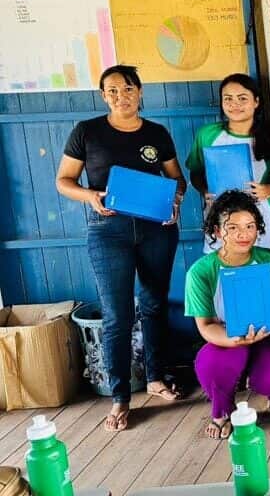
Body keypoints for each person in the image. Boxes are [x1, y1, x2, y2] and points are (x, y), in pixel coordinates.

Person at [55, 64, 185, 431]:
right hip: (108, 232)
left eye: (127, 88)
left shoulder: (157, 133)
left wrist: (175, 201)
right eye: (112, 90)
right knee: (117, 316)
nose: (120, 96)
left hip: (157, 230)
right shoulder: (87, 132)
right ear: (103, 96)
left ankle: (156, 378)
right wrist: (90, 196)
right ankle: (120, 397)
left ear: (139, 92)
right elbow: (64, 180)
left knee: (154, 304)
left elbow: (177, 179)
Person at [184, 190, 270, 439]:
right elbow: (206, 325)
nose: (243, 234)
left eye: (250, 226)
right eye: (232, 227)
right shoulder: (201, 272)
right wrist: (236, 339)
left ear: (258, 229)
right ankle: (222, 411)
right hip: (227, 339)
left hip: (268, 336)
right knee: (210, 363)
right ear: (217, 231)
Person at [187, 73, 270, 252]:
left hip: (264, 215)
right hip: (221, 215)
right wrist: (205, 191)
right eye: (228, 99)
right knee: (224, 264)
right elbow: (196, 171)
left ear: (256, 101)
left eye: (242, 98)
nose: (235, 104)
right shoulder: (207, 135)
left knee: (263, 264)